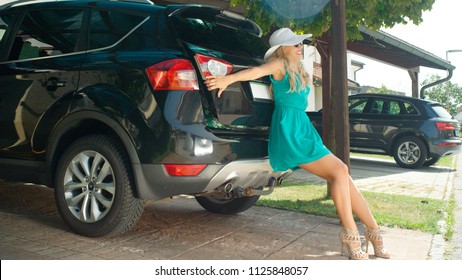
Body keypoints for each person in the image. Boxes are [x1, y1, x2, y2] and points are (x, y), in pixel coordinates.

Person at [205, 27, 390, 260]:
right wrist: (228, 79)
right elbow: (255, 71)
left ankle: (372, 233)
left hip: (303, 129)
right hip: (290, 131)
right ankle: (354, 235)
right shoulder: (279, 65)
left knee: (342, 175)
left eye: (300, 44)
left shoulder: (300, 69)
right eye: (295, 44)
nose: (300, 47)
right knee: (340, 171)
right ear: (283, 48)